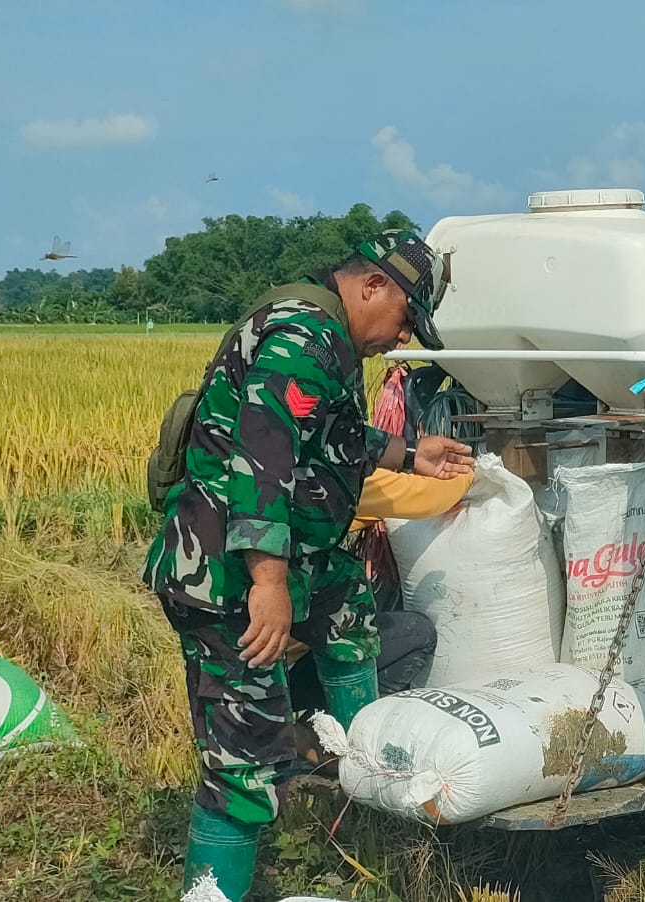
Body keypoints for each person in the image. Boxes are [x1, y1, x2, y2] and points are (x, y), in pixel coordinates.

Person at [143, 229, 474, 901]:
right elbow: (261, 462)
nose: (404, 339)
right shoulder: (300, 340)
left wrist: (414, 455)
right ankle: (212, 891)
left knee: (351, 615)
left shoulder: (330, 339)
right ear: (372, 285)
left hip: (301, 557)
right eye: (408, 320)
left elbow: (335, 435)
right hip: (225, 576)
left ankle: (365, 783)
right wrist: (268, 584)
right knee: (244, 762)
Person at [287, 466, 475, 713]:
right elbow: (421, 497)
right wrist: (474, 473)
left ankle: (310, 728)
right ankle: (346, 730)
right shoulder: (324, 475)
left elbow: (363, 509)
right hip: (275, 672)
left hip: (249, 669)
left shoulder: (267, 474)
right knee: (416, 633)